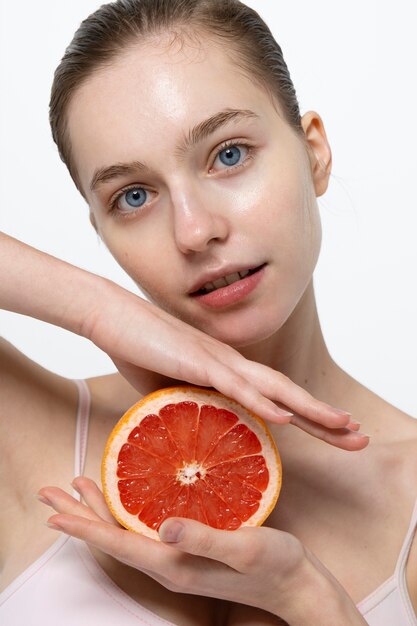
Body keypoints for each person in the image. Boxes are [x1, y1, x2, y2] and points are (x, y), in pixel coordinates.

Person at [0, 0, 415, 624]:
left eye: (228, 154)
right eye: (132, 197)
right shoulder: (30, 433)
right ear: (100, 230)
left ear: (315, 153)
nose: (194, 232)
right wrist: (97, 310)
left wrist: (305, 595)